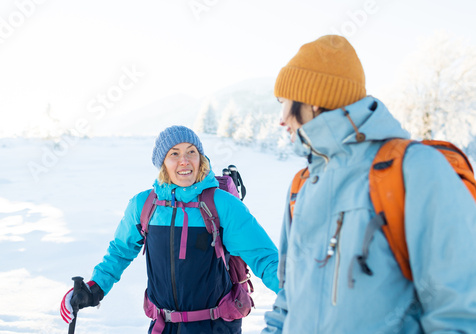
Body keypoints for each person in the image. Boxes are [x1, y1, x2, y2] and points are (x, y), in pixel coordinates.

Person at [262, 35, 476, 333]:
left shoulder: (413, 169)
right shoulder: (303, 185)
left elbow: (460, 310)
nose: (281, 118)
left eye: (283, 101)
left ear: (311, 100)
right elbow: (287, 304)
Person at [60, 125, 280, 334]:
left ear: (200, 159)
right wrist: (95, 288)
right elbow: (120, 251)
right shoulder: (144, 205)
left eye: (191, 152)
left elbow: (265, 258)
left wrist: (297, 292)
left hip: (215, 326)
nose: (184, 161)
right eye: (174, 154)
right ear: (162, 162)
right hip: (162, 326)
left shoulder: (223, 205)